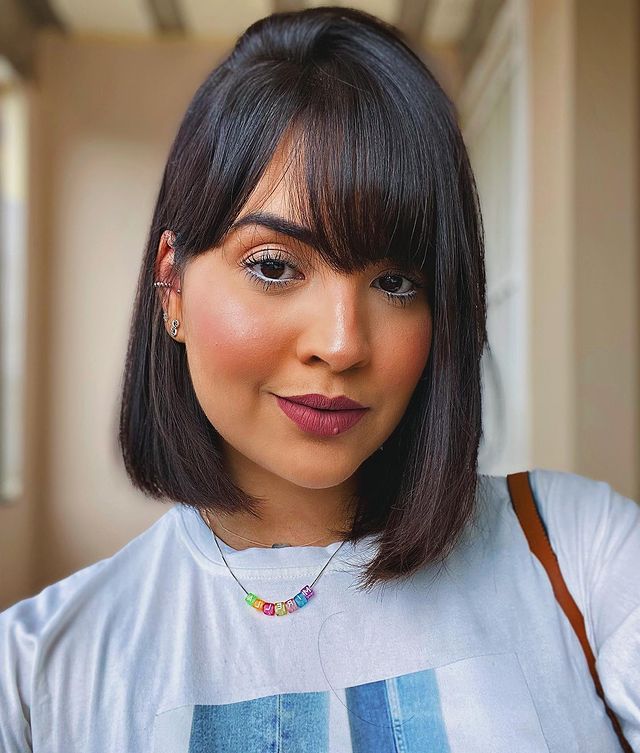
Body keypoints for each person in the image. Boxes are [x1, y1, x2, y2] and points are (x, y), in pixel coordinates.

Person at [1, 6, 639, 752]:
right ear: (171, 287)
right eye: (274, 266)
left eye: (396, 280)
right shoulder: (36, 675)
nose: (341, 344)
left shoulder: (578, 553)